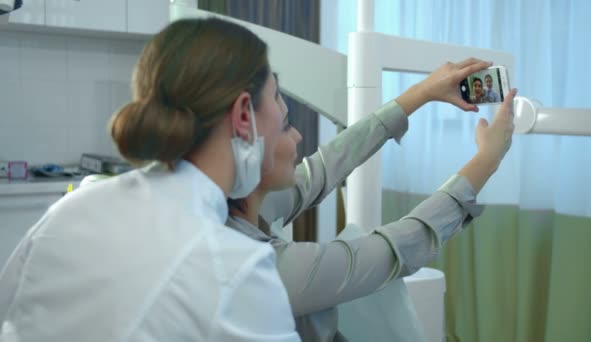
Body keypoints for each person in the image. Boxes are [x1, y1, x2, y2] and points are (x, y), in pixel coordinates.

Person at [0, 18, 301, 341]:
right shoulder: (235, 269)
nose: (288, 128)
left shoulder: (66, 213)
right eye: (275, 97)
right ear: (244, 113)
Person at [226, 59, 517, 341]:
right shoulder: (267, 270)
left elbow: (326, 167)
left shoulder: (244, 207)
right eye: (286, 126)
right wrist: (488, 159)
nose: (299, 136)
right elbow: (398, 248)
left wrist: (424, 91)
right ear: (248, 151)